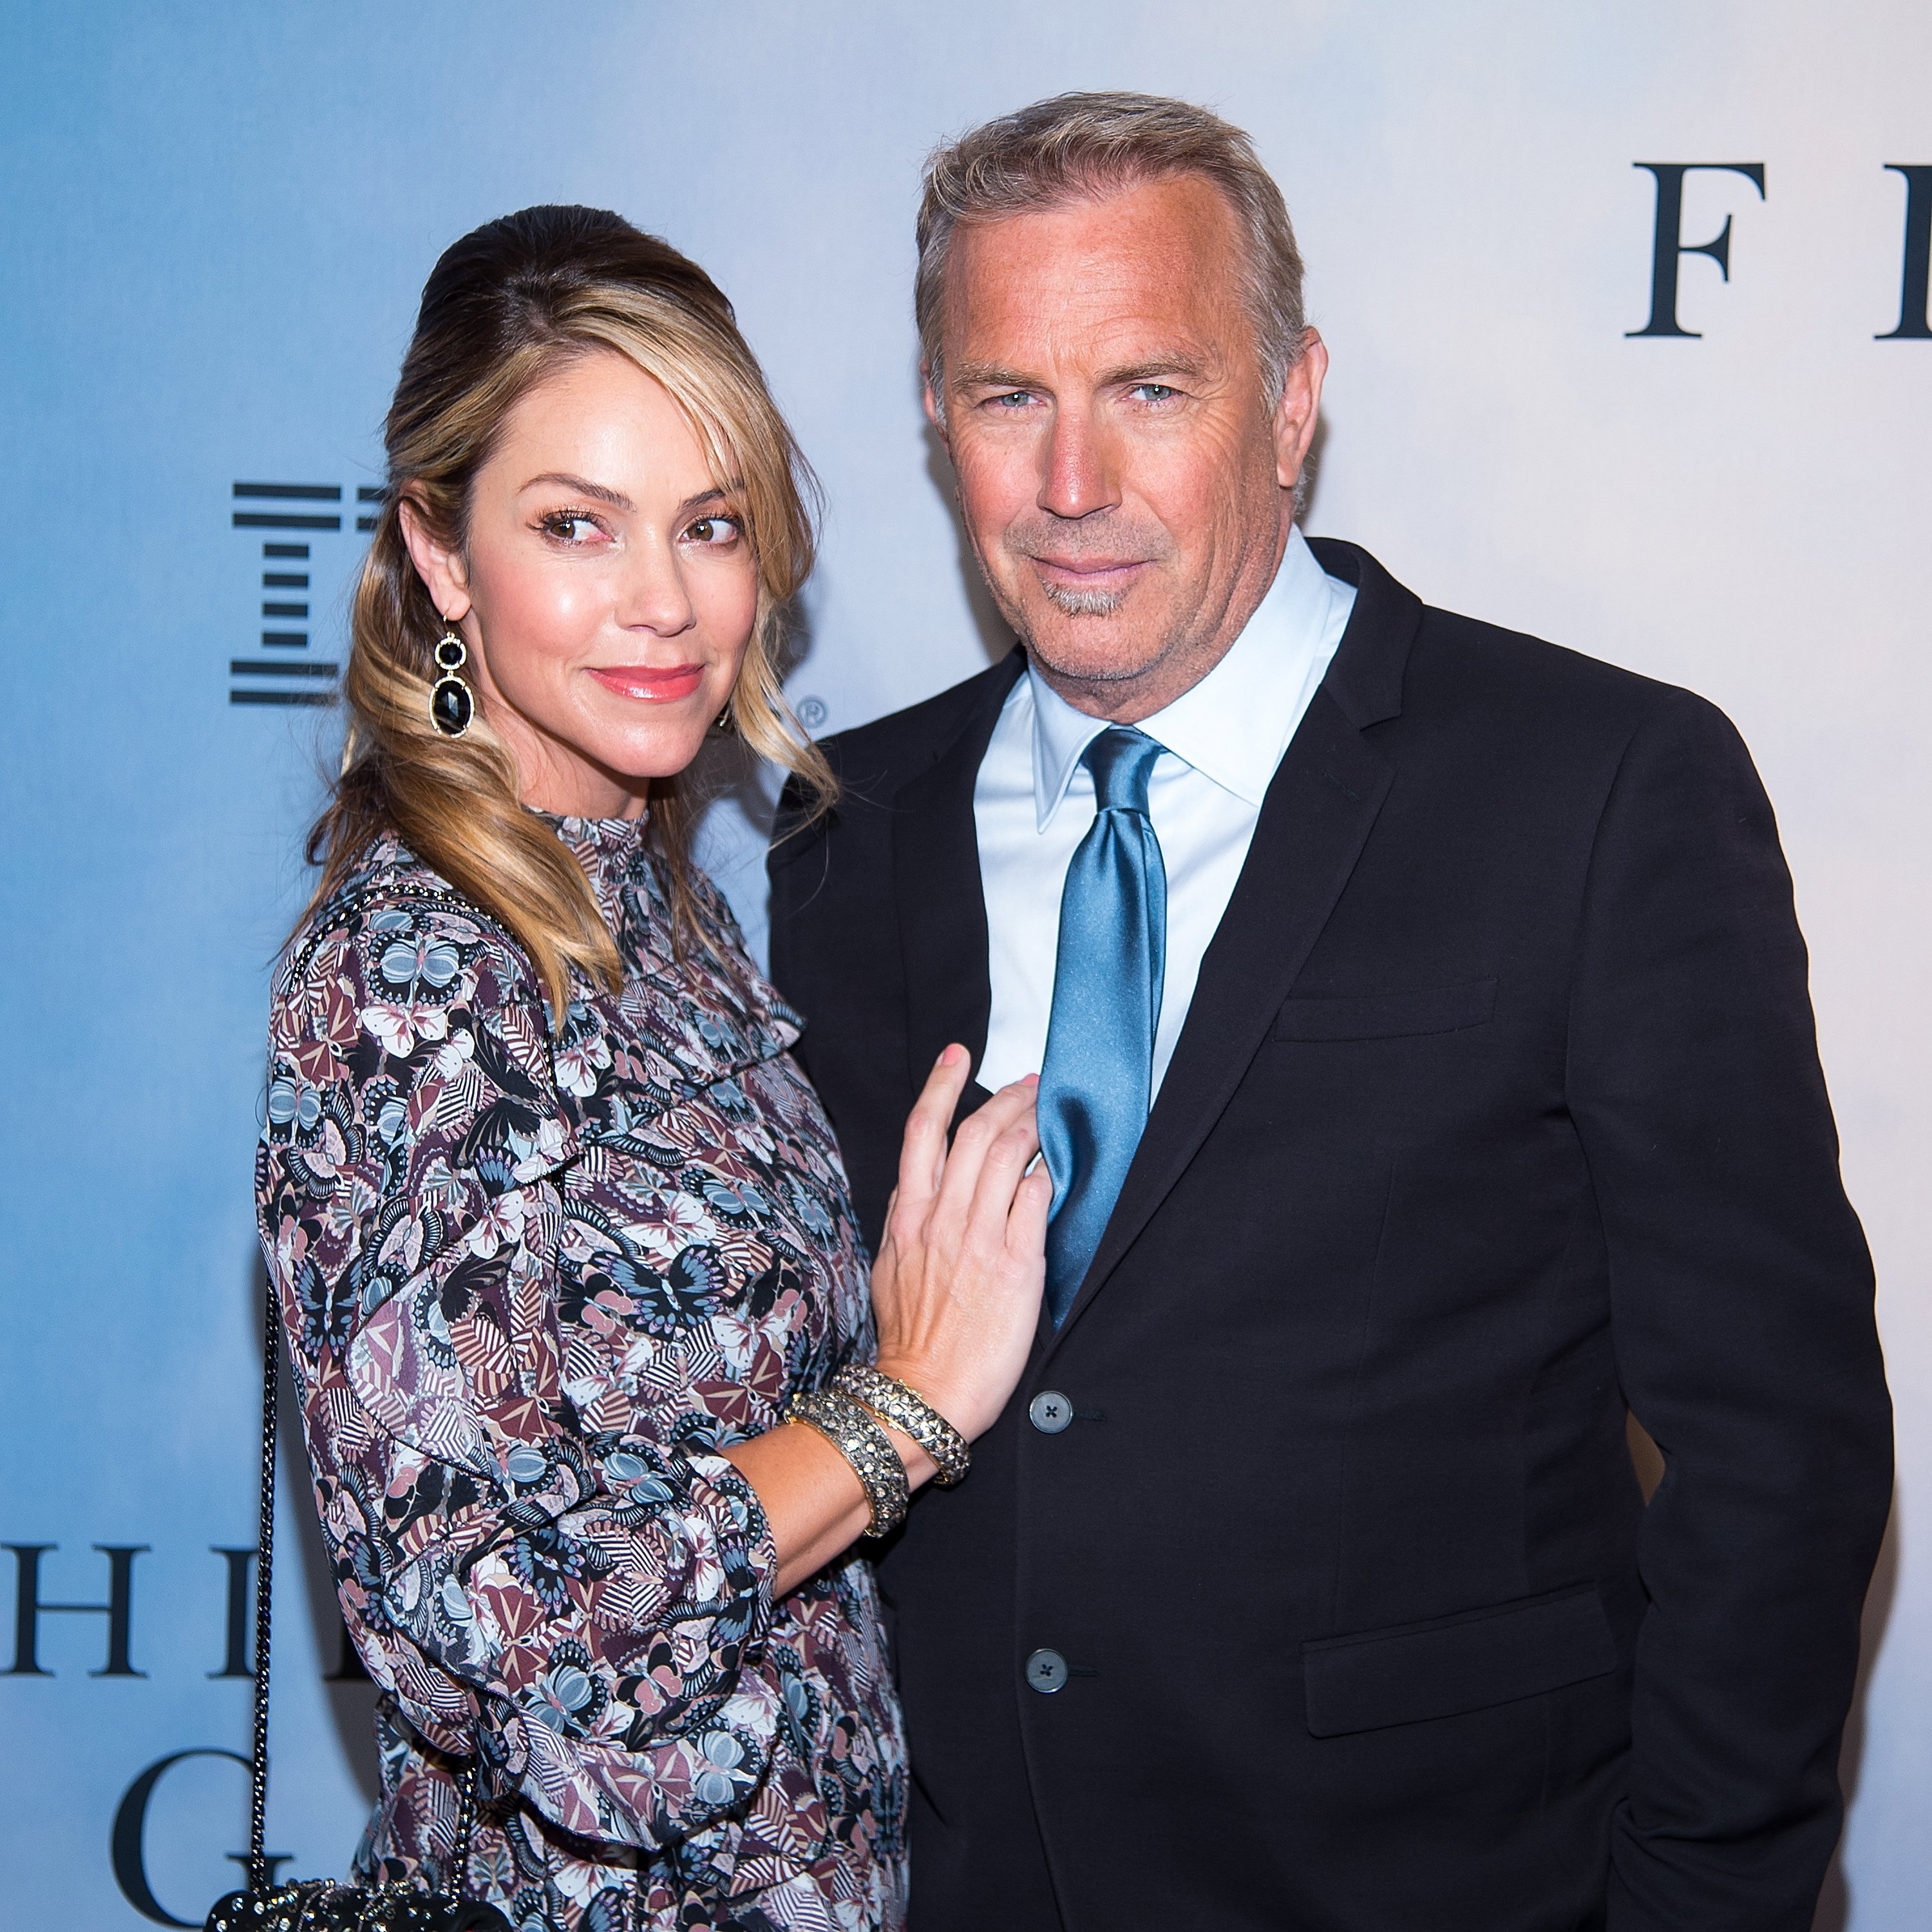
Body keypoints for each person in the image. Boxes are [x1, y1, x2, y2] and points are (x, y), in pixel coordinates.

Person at [766, 93, 1893, 1931]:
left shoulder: (1596, 789)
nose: (1072, 487)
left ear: (1291, 401)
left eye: (1150, 388)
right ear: (933, 425)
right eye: (1007, 397)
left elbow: (1783, 1449)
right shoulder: (835, 829)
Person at [254, 205, 1049, 1932]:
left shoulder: (667, 913)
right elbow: (537, 1640)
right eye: (573, 527)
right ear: (441, 555)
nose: (663, 604)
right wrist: (908, 1403)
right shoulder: (419, 973)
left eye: (709, 524)